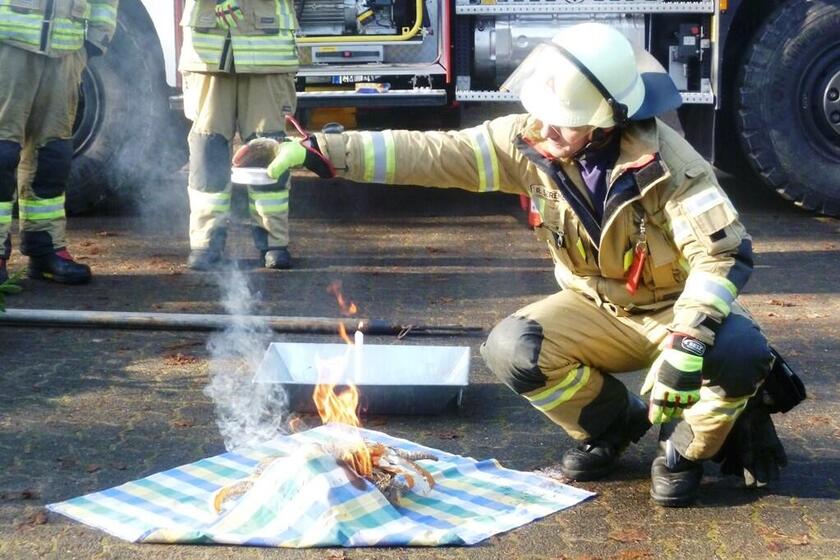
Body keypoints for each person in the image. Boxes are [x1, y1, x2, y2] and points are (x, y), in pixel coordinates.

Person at [235, 22, 791, 507]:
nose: (543, 129)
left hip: (674, 311)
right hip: (596, 307)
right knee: (513, 348)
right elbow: (432, 153)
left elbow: (722, 253)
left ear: (605, 122)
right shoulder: (528, 142)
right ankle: (611, 425)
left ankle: (684, 450)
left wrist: (688, 344)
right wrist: (322, 152)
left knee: (740, 352)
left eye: (561, 121)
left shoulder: (672, 167)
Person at [0, 1, 119, 285]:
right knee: (2, 152)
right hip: (8, 41)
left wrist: (95, 39)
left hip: (65, 48)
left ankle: (45, 248)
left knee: (52, 155)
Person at [179, 0, 300, 271]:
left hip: (268, 51)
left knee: (268, 149)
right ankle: (206, 242)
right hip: (208, 52)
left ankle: (274, 241)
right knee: (208, 148)